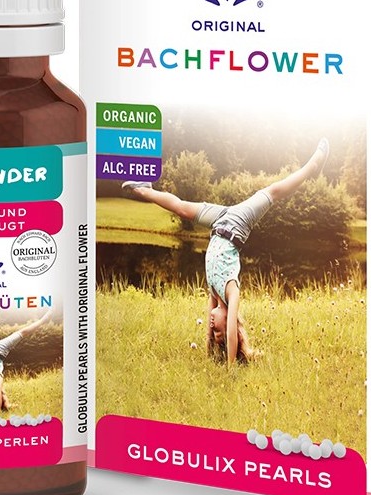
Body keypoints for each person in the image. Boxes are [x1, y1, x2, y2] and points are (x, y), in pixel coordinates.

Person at [123, 138, 328, 369]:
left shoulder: (214, 292)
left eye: (214, 331)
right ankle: (313, 165)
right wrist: (230, 367)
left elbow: (208, 330)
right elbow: (232, 333)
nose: (213, 326)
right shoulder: (232, 291)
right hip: (237, 223)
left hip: (218, 222)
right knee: (272, 192)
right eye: (218, 329)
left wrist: (210, 348)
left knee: (182, 208)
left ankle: (143, 189)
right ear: (231, 323)